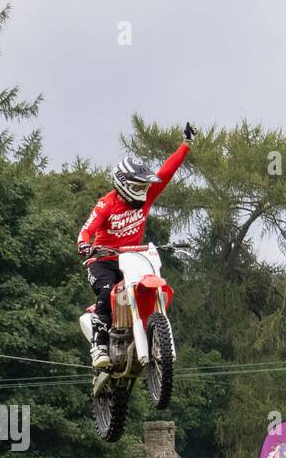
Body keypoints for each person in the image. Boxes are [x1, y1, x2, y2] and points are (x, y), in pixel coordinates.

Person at [77, 122, 196, 369]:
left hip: (131, 259)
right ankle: (98, 346)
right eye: (139, 186)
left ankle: (150, 334)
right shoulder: (106, 204)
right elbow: (87, 229)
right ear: (124, 184)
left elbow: (166, 172)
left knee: (147, 286)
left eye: (144, 186)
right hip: (103, 261)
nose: (144, 190)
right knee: (106, 290)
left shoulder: (147, 198)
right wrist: (85, 244)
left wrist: (185, 145)